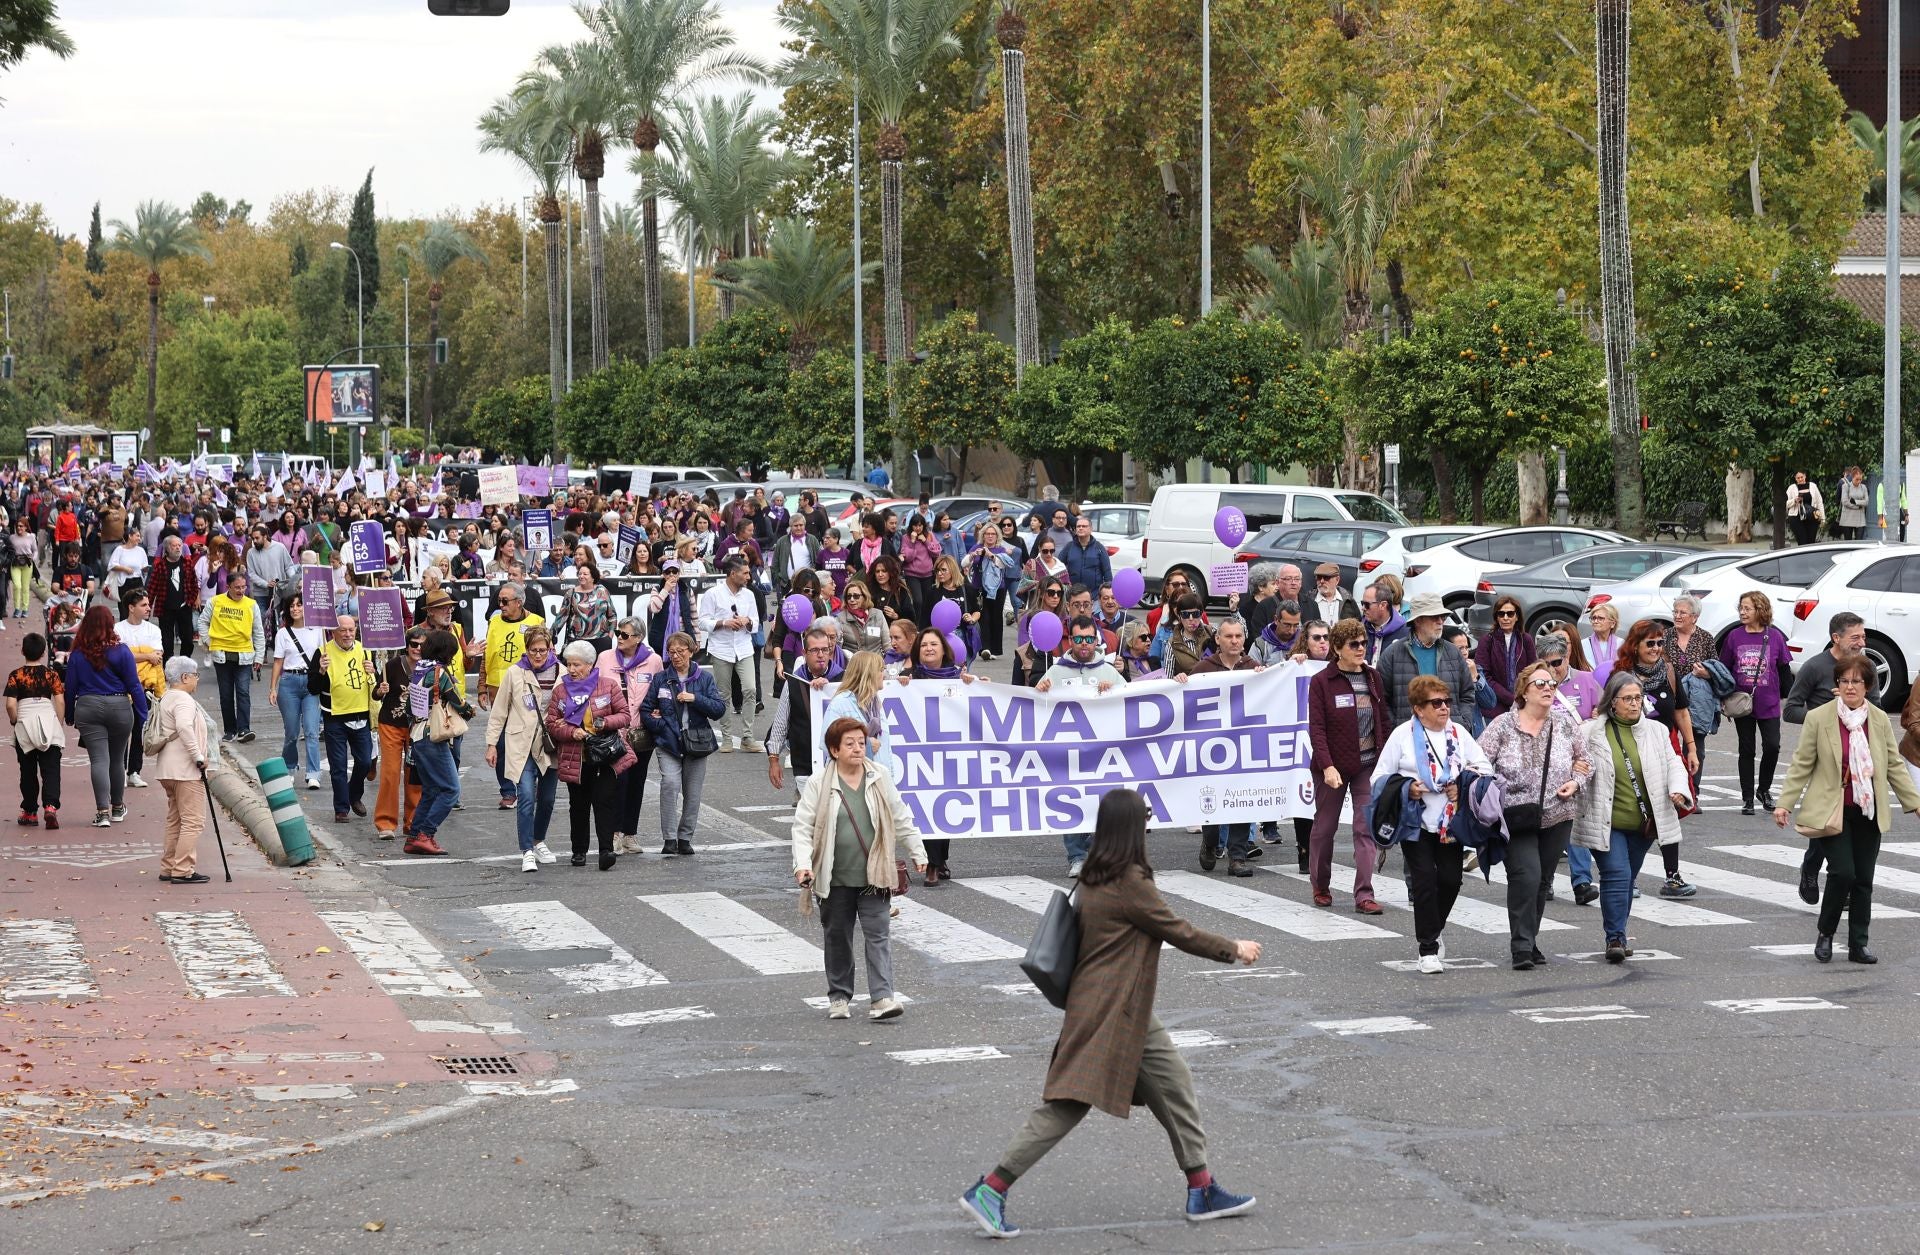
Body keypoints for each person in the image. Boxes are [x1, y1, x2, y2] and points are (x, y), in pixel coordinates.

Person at [959, 789, 1262, 1239]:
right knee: (1067, 1104)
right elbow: (1176, 929)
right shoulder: (1128, 880)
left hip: (1119, 1005)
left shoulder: (1097, 872)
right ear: (1129, 826)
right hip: (1109, 1010)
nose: (1149, 825)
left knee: (1173, 1086)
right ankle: (991, 1189)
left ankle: (1202, 1188)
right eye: (1145, 818)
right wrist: (1232, 947)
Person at [1772, 653, 1920, 963]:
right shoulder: (1820, 717)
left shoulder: (1878, 720)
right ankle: (1826, 932)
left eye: (1856, 682)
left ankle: (1858, 944)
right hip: (1832, 808)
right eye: (1844, 681)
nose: (1850, 687)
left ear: (1868, 686)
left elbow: (1893, 764)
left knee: (1863, 879)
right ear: (1837, 685)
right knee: (1842, 872)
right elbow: (1802, 763)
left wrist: (1914, 803)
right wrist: (1785, 803)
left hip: (1868, 808)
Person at [791, 715, 928, 1022]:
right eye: (849, 743)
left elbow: (900, 815)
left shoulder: (878, 776)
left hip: (875, 875)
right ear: (834, 750)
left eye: (861, 743)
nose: (857, 748)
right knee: (838, 936)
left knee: (878, 935)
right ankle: (839, 996)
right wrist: (802, 865)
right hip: (834, 876)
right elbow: (802, 828)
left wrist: (917, 850)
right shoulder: (819, 783)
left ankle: (882, 998)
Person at [1371, 674, 1493, 973]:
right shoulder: (1401, 735)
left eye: (1447, 702)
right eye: (1435, 703)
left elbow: (1484, 766)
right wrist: (1407, 787)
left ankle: (1434, 929)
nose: (1444, 708)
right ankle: (1427, 949)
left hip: (1450, 824)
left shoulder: (1459, 733)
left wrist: (1462, 783)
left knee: (1451, 880)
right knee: (1424, 881)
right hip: (1415, 822)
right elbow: (1378, 778)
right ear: (1418, 709)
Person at [1573, 671, 1694, 963]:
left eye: (1638, 698)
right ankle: (1615, 937)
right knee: (1617, 874)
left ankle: (1619, 931)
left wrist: (1678, 790)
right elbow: (1577, 764)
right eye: (1627, 698)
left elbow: (1673, 764)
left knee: (1627, 879)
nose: (1634, 703)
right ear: (1612, 702)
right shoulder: (1591, 731)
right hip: (1606, 820)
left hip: (1643, 823)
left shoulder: (1656, 731)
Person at [1477, 661, 1591, 969]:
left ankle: (1530, 938)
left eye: (1552, 685)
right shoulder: (1502, 725)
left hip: (1558, 813)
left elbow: (1585, 760)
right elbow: (1478, 763)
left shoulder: (1565, 724)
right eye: (1540, 684)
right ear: (1523, 692)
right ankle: (1521, 947)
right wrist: (1495, 790)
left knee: (1542, 880)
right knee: (1526, 875)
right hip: (1515, 815)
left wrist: (1575, 782)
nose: (1548, 689)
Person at [1610, 619, 1699, 898]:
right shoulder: (1622, 675)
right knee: (1638, 810)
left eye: (1661, 643)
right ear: (1635, 646)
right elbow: (1606, 712)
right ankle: (1629, 877)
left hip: (1665, 747)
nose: (1657, 648)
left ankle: (1672, 877)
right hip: (1631, 748)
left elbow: (1681, 712)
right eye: (1651, 643)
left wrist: (1691, 747)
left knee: (1668, 809)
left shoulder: (1668, 671)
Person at [1307, 618, 1387, 912]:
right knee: (1324, 829)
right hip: (1333, 767)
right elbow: (1317, 728)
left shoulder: (1373, 678)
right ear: (1338, 648)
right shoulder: (1322, 682)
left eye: (1364, 643)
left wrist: (1386, 762)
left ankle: (1364, 894)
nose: (1360, 649)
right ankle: (1321, 885)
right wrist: (1327, 766)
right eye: (1354, 644)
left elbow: (1383, 722)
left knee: (1365, 828)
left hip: (1367, 764)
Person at [1034, 614, 1124, 878]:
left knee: (1101, 802)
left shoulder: (1108, 671)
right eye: (1078, 639)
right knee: (1071, 802)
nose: (1084, 644)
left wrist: (1115, 690)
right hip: (1069, 752)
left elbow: (1131, 703)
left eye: (1089, 639)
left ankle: (1099, 854)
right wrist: (1040, 689)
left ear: (1095, 640)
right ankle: (1077, 856)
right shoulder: (1057, 671)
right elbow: (1039, 708)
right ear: (1070, 640)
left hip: (1102, 751)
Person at [542, 639, 638, 870]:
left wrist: (603, 721)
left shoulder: (608, 685)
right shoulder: (561, 690)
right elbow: (552, 724)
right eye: (569, 664)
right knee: (578, 805)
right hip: (576, 757)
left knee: (604, 802)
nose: (572, 670)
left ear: (589, 664)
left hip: (605, 755)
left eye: (577, 665)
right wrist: (570, 731)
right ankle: (579, 851)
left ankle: (606, 850)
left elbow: (625, 715)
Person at [1180, 615, 1263, 876]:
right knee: (1212, 802)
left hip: (1243, 747)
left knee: (1242, 800)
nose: (1234, 641)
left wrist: (1266, 677)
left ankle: (1237, 857)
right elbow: (1185, 705)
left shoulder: (1252, 667)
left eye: (1238, 636)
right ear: (1218, 639)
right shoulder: (1204, 669)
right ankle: (1210, 842)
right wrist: (1181, 682)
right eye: (1228, 636)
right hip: (1211, 749)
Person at [64, 605, 149, 828]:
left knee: (98, 760)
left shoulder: (78, 654)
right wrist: (143, 713)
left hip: (88, 706)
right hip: (119, 705)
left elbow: (70, 687)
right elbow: (134, 685)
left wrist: (70, 714)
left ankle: (102, 812)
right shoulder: (121, 651)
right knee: (117, 758)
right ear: (110, 624)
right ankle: (118, 807)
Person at [641, 631, 724, 856]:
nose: (676, 656)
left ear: (691, 651)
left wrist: (695, 699)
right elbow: (646, 710)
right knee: (669, 785)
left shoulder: (703, 678)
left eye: (681, 651)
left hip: (697, 743)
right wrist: (660, 726)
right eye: (671, 652)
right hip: (668, 742)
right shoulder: (661, 678)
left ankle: (685, 837)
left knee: (693, 792)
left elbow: (718, 710)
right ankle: (669, 839)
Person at [1721, 590, 1792, 816]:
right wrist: (1725, 695)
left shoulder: (1775, 636)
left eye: (1747, 608)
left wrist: (1788, 696)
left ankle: (1764, 790)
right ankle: (1747, 798)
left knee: (1772, 746)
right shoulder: (1734, 636)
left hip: (1769, 702)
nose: (1742, 612)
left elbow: (1784, 668)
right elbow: (1724, 668)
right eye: (1741, 608)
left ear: (1760, 610)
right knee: (1747, 749)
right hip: (1742, 703)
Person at [405, 629, 475, 857]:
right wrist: (469, 711)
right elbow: (458, 701)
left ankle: (414, 837)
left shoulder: (419, 670)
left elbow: (409, 707)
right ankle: (426, 833)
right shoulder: (439, 672)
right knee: (451, 790)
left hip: (417, 734)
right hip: (433, 736)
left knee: (432, 790)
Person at [597, 616, 662, 855]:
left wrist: (657, 711)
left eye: (624, 634)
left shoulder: (653, 661)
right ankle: (614, 833)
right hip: (614, 732)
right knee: (617, 782)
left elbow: (660, 690)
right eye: (617, 633)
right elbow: (595, 687)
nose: (619, 638)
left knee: (637, 782)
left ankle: (630, 834)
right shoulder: (605, 658)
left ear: (638, 638)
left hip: (641, 732)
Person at [311, 613, 383, 825]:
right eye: (343, 630)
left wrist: (375, 675)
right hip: (335, 717)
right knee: (338, 766)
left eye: (351, 630)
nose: (348, 634)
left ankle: (353, 794)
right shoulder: (322, 653)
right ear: (333, 632)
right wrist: (321, 671)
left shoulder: (365, 650)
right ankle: (341, 808)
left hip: (361, 715)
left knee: (364, 762)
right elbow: (312, 687)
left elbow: (376, 686)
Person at [767, 624, 847, 801]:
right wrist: (774, 760)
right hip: (804, 761)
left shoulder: (843, 680)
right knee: (813, 818)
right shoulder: (794, 681)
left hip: (839, 762)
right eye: (815, 650)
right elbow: (780, 723)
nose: (821, 655)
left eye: (825, 650)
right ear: (804, 653)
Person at [151, 655, 212, 884]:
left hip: (167, 768)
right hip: (185, 770)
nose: (196, 680)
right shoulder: (184, 700)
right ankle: (183, 868)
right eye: (195, 676)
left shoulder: (166, 697)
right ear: (185, 677)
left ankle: (168, 866)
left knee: (175, 819)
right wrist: (198, 756)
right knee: (193, 821)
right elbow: (184, 727)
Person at [696, 555, 763, 754]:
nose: (748, 577)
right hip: (721, 649)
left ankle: (748, 736)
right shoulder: (713, 594)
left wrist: (747, 621)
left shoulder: (749, 595)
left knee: (750, 689)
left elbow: (756, 622)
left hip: (744, 648)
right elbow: (702, 621)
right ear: (733, 574)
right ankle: (726, 738)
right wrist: (724, 623)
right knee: (723, 694)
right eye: (745, 573)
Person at [1378, 592, 1472, 727]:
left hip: (1449, 735)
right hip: (1409, 737)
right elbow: (1382, 699)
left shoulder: (1453, 653)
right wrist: (1396, 729)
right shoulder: (1392, 654)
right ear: (1418, 620)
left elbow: (1467, 693)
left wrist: (1462, 723)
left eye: (1442, 616)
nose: (1440, 621)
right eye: (1434, 617)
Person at [268, 592, 326, 791]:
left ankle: (313, 773)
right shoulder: (283, 633)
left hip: (311, 682)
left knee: (311, 730)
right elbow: (278, 662)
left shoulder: (317, 630)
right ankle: (290, 767)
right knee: (292, 732)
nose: (295, 609)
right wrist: (273, 688)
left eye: (299, 605)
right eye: (291, 606)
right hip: (289, 682)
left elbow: (324, 656)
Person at [6, 632, 64, 828]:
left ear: (23, 651)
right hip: (48, 721)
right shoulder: (51, 674)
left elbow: (11, 705)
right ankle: (50, 806)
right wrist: (58, 722)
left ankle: (30, 811)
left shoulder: (16, 675)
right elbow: (60, 701)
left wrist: (15, 720)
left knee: (28, 770)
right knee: (51, 769)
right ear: (43, 652)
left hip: (25, 723)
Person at [374, 627, 426, 840]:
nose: (418, 649)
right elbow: (375, 694)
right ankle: (385, 822)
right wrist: (380, 690)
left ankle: (413, 822)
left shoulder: (429, 668)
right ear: (407, 646)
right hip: (391, 724)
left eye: (423, 645)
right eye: (414, 644)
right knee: (390, 772)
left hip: (417, 727)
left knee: (416, 775)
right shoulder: (393, 665)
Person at [205, 570, 265, 744]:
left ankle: (244, 729)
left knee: (243, 692)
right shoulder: (215, 602)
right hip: (221, 656)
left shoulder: (251, 605)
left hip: (244, 655)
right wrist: (209, 642)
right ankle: (229, 730)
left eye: (243, 587)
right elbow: (203, 622)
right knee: (226, 695)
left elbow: (258, 632)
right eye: (237, 587)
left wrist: (259, 657)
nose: (240, 591)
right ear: (228, 586)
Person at [115, 588, 164, 790]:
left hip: (145, 688)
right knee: (120, 731)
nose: (148, 608)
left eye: (148, 604)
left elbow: (158, 656)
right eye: (143, 605)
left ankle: (134, 771)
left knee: (140, 730)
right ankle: (119, 770)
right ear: (131, 607)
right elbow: (119, 657)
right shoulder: (117, 629)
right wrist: (146, 655)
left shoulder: (153, 630)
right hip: (121, 687)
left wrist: (133, 655)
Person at [964, 522, 1022, 661]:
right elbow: (964, 563)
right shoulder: (976, 547)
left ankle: (995, 649)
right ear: (983, 536)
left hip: (998, 589)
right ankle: (985, 649)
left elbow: (1006, 564)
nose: (990, 536)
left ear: (997, 536)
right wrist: (972, 556)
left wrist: (990, 555)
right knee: (983, 617)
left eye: (993, 534)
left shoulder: (1001, 549)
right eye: (987, 534)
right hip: (979, 588)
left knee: (996, 618)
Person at [1474, 595, 1536, 710]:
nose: (1505, 618)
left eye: (1510, 614)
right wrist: (1510, 698)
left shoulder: (1525, 639)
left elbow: (1533, 671)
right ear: (1496, 617)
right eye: (1501, 614)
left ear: (1517, 617)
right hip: (1494, 704)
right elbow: (1483, 676)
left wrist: (1522, 697)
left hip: (1523, 703)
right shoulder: (1487, 641)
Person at [147, 535, 198, 660]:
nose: (177, 548)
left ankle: (184, 662)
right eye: (174, 545)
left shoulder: (187, 564)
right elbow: (152, 588)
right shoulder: (159, 566)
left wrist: (190, 601)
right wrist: (147, 606)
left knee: (187, 639)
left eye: (179, 545)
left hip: (184, 607)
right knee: (166, 641)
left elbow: (194, 584)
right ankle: (168, 665)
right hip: (165, 608)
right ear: (167, 548)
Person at [558, 561, 615, 656]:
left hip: (601, 641)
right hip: (577, 642)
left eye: (585, 574)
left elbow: (612, 615)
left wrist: (610, 635)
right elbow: (560, 618)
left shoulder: (602, 591)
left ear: (593, 577)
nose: (581, 576)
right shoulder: (571, 593)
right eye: (579, 574)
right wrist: (550, 638)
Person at [1359, 579, 1407, 666]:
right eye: (1362, 603)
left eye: (1367, 604)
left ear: (1383, 605)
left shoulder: (1405, 633)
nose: (1363, 608)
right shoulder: (1359, 628)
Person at [835, 577, 888, 654]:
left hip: (876, 663)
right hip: (853, 664)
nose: (852, 599)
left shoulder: (878, 614)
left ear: (865, 597)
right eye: (849, 596)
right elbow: (837, 648)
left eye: (856, 596)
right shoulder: (839, 619)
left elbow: (887, 644)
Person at [1167, 593, 1214, 677]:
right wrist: (1176, 678)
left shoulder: (1211, 632)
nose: (1191, 619)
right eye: (1185, 614)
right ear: (1179, 616)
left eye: (1195, 614)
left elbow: (1241, 635)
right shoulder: (1172, 643)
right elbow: (1168, 677)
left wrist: (1234, 611)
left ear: (1201, 614)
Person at [1785, 469, 1825, 546]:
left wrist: (1822, 517)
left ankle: (1811, 558)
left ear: (1805, 476)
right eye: (1798, 478)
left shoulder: (1813, 486)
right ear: (1795, 478)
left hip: (1812, 516)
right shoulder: (1791, 488)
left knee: (1811, 542)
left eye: (1801, 477)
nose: (1800, 479)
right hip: (1796, 518)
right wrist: (1794, 500)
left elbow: (1819, 501)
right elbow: (1785, 504)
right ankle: (1802, 557)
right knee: (1802, 541)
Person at [8, 518, 37, 621]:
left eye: (21, 526)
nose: (18, 528)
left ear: (25, 527)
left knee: (25, 587)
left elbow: (35, 550)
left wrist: (32, 559)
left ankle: (24, 609)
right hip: (15, 563)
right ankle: (17, 609)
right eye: (17, 526)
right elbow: (8, 550)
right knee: (17, 585)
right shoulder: (12, 537)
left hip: (27, 564)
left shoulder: (31, 537)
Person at [1583, 603, 1623, 676]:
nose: (1595, 621)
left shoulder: (1621, 644)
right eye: (1593, 618)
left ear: (1613, 624)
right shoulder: (1583, 644)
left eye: (1600, 618)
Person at [1836, 466, 1869, 540]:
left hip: (1860, 519)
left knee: (1859, 542)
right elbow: (1845, 501)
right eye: (1857, 479)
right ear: (1852, 477)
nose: (1859, 481)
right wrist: (1858, 506)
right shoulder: (1845, 486)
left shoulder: (1863, 487)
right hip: (1847, 518)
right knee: (1848, 542)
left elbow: (1866, 502)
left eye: (1860, 479)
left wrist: (1855, 502)